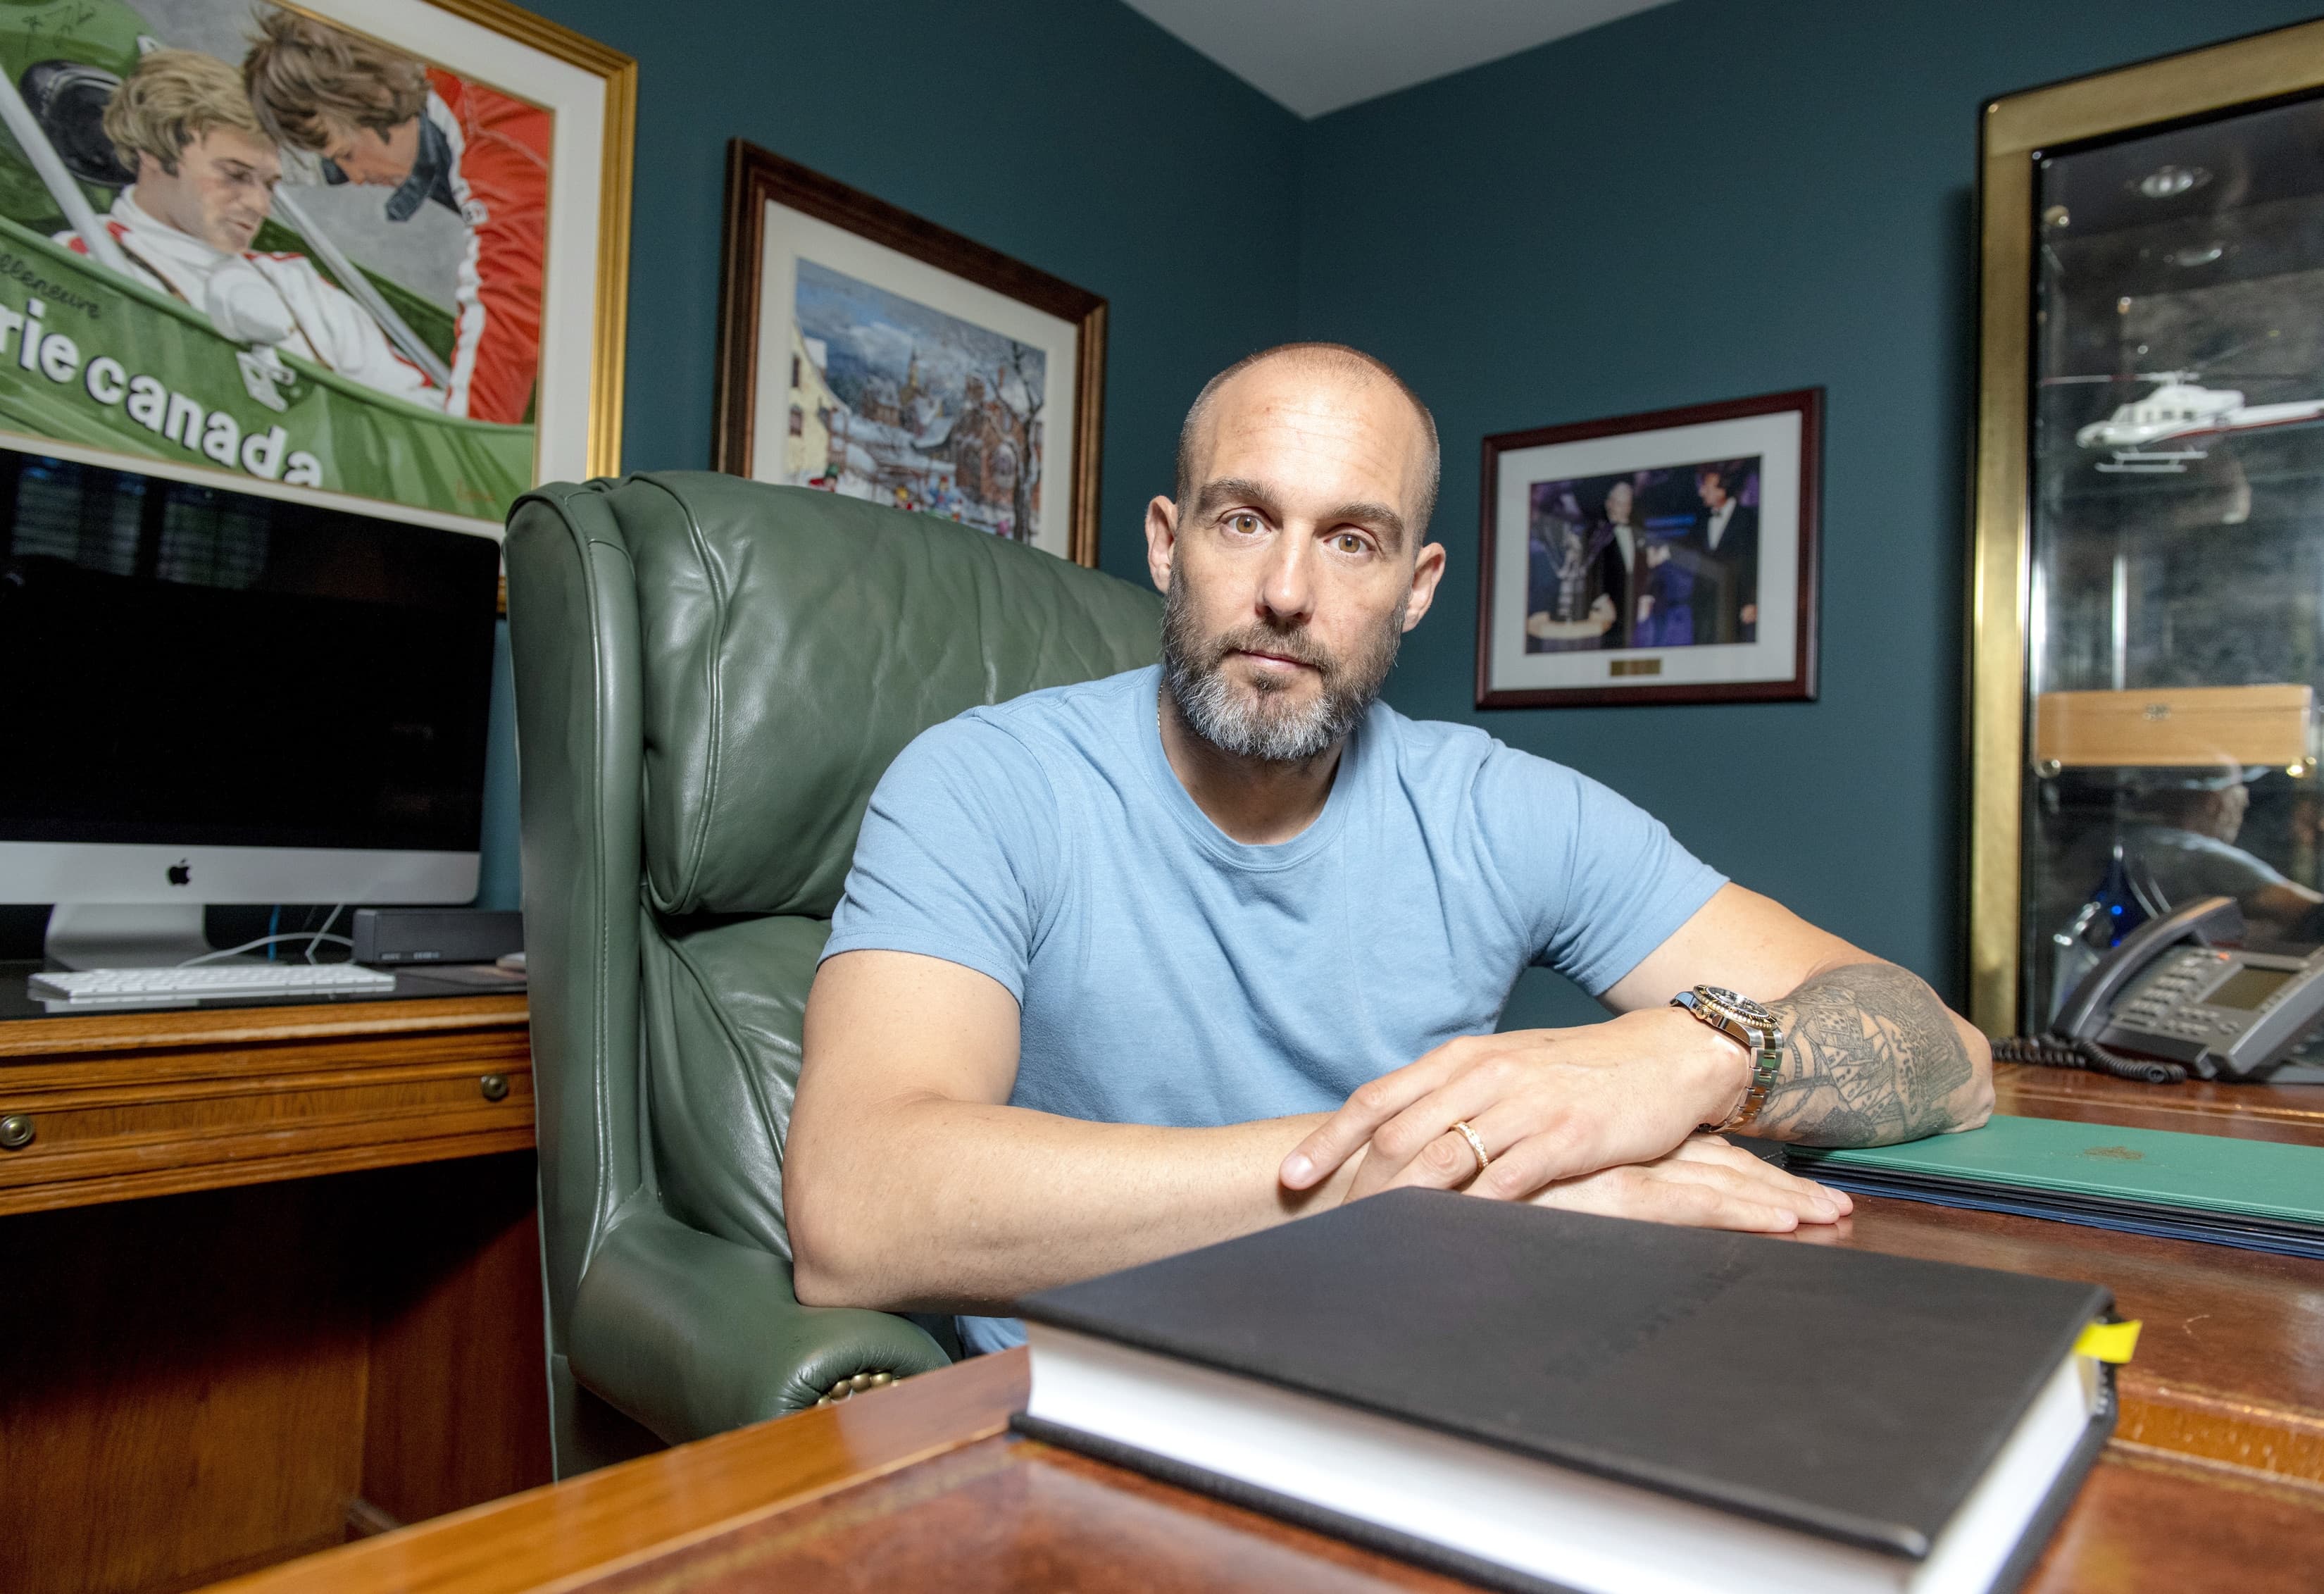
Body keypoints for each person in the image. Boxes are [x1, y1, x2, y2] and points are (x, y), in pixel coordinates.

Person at [785, 343, 1992, 1354]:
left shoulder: (1504, 810)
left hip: (1431, 1361)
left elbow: (1950, 1051)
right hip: (1096, 1410)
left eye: (1352, 541)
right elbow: (857, 1209)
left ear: (1417, 588)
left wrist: (1690, 1061)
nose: (1287, 591)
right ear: (1167, 544)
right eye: (1244, 519)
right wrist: (1453, 1184)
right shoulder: (984, 782)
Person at [62, 49, 440, 405]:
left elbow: (427, 418)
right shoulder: (79, 263)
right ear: (155, 155)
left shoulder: (300, 288)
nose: (260, 205)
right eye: (235, 175)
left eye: (270, 184)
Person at [242, 11, 547, 425]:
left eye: (347, 156)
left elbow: (507, 310)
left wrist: (464, 449)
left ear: (379, 100)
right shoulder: (440, 87)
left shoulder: (493, 148)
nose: (353, 177)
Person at [1693, 463, 1758, 644]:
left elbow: (1754, 564)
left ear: (1722, 491)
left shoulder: (1749, 520)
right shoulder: (1701, 521)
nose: (1701, 492)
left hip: (1737, 611)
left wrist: (1752, 602)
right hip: (1705, 615)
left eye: (1706, 487)